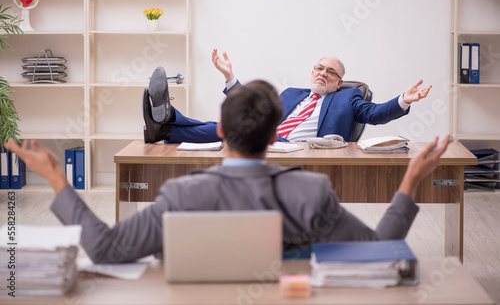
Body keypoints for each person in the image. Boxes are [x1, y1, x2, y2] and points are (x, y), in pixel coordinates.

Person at [5, 80, 449, 264]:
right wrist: (410, 180)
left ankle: (166, 124)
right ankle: (165, 123)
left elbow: (105, 250)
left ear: (221, 131)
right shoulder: (312, 192)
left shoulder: (181, 195)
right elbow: (379, 249)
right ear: (276, 131)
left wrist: (56, 178)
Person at [143, 49, 432, 144]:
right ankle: (165, 125)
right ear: (311, 72)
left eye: (330, 72)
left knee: (234, 129)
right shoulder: (291, 93)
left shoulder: (349, 98)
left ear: (338, 83)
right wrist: (230, 76)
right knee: (234, 125)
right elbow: (253, 109)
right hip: (269, 140)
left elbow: (376, 113)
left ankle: (168, 120)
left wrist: (404, 99)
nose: (323, 73)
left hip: (297, 149)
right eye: (319, 68)